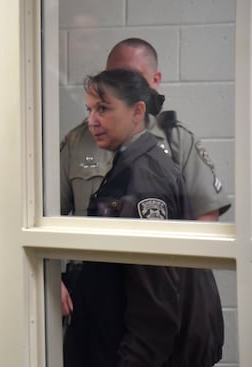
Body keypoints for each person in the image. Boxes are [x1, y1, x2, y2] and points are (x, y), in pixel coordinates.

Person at [63, 69, 224, 367]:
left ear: (137, 111)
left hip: (153, 358)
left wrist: (138, 360)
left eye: (103, 109)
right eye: (90, 110)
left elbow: (155, 280)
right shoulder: (129, 163)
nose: (92, 120)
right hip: (127, 340)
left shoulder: (143, 176)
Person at [59, 37, 231, 316]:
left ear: (155, 80)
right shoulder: (79, 141)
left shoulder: (176, 140)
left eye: (133, 76)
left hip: (157, 292)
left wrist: (176, 283)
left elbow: (206, 218)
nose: (123, 85)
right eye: (114, 76)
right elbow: (40, 215)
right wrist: (50, 279)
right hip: (92, 292)